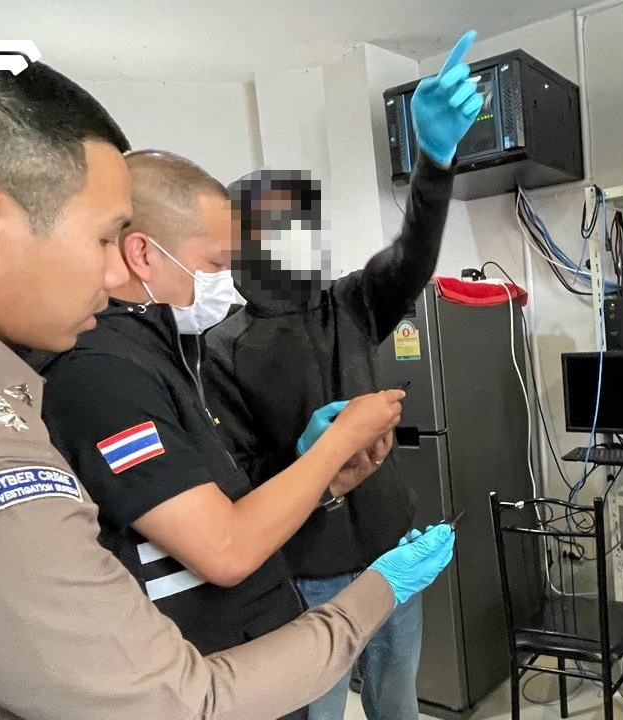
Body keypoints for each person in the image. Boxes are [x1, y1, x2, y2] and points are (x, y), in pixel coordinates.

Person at [0, 33, 453, 719]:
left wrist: (435, 167)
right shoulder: (166, 353)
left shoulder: (335, 306)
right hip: (288, 596)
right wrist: (325, 456)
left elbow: (410, 261)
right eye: (103, 238)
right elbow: (212, 564)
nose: (113, 273)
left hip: (317, 580)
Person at [28, 149, 403, 705]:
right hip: (201, 667)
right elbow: (224, 547)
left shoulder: (166, 351)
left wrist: (327, 480)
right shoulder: (103, 374)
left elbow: (219, 500)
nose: (225, 283)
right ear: (142, 254)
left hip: (247, 642)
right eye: (213, 263)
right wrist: (341, 440)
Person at [203, 31, 483, 720]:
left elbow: (413, 255)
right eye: (278, 228)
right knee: (319, 711)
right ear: (242, 245)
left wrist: (435, 161)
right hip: (302, 573)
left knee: (397, 703)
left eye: (304, 224)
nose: (299, 239)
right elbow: (233, 484)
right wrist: (307, 455)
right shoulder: (221, 348)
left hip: (388, 554)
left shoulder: (350, 303)